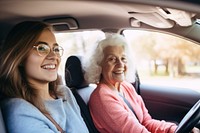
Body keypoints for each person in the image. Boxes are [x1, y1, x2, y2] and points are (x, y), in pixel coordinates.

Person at [83, 34, 199, 133]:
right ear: (99, 65)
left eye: (123, 58)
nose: (120, 64)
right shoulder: (102, 98)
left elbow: (146, 122)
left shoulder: (126, 87)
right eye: (112, 59)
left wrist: (174, 129)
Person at [0, 21, 89, 133]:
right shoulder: (19, 109)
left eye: (56, 49)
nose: (53, 56)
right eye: (42, 48)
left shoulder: (65, 93)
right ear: (20, 57)